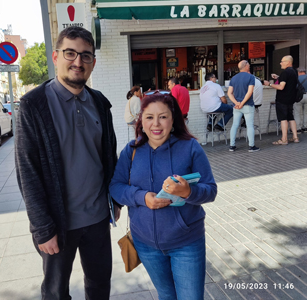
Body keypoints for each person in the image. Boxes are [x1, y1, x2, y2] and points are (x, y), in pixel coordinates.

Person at [15, 27, 120, 300]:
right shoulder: (33, 105)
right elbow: (27, 171)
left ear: (93, 63)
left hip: (97, 217)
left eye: (86, 56)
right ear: (55, 56)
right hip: (58, 223)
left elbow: (109, 155)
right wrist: (42, 228)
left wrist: (116, 201)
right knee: (55, 292)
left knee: (99, 286)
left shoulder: (99, 103)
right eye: (70, 53)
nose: (78, 62)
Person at [109, 91, 217, 300]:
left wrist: (189, 192)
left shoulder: (190, 147)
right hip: (145, 243)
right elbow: (116, 187)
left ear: (173, 119)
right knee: (166, 295)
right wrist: (142, 197)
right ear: (141, 121)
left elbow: (210, 190)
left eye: (163, 116)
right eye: (149, 117)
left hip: (186, 242)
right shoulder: (131, 150)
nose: (156, 124)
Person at [264, 55, 299, 144]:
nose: (280, 63)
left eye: (282, 61)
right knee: (291, 117)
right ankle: (295, 137)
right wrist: (278, 77)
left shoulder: (285, 72)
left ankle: (284, 139)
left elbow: (281, 87)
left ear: (288, 62)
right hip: (291, 98)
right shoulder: (294, 71)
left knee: (283, 118)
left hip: (282, 99)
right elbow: (288, 80)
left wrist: (269, 84)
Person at [227, 60, 260, 152]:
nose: (249, 65)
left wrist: (236, 103)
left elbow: (229, 93)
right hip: (247, 105)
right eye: (248, 64)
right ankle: (251, 146)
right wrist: (242, 103)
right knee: (249, 125)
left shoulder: (233, 78)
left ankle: (232, 146)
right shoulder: (250, 77)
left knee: (235, 125)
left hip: (236, 107)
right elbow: (249, 92)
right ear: (246, 66)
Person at [293, 67, 307, 132]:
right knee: (306, 113)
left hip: (298, 97)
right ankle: (305, 127)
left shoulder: (296, 78)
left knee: (297, 113)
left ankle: (298, 128)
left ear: (299, 72)